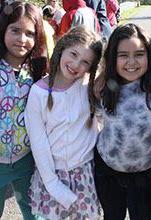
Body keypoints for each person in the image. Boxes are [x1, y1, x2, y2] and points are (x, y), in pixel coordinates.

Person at [94, 23, 151, 220]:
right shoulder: (102, 85)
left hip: (146, 172)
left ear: (149, 54)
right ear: (112, 58)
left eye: (139, 54)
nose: (131, 62)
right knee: (111, 216)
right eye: (123, 55)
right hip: (107, 170)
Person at [25, 26, 103, 219]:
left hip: (86, 175)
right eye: (73, 54)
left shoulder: (89, 86)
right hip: (52, 177)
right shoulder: (38, 92)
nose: (76, 64)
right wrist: (53, 185)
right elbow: (39, 143)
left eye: (85, 61)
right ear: (62, 48)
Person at [0, 1, 47, 219]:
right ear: (3, 29)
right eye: (15, 30)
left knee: (34, 213)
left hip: (26, 160)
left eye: (30, 33)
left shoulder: (38, 72)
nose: (22, 39)